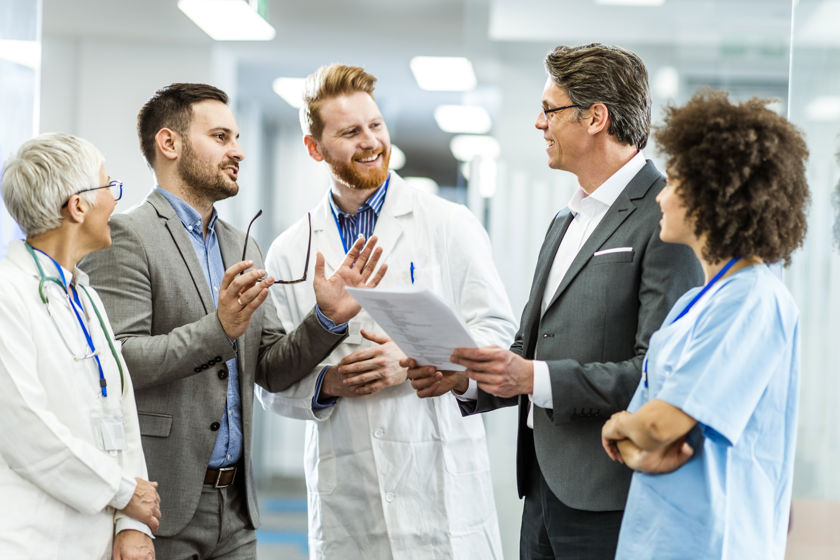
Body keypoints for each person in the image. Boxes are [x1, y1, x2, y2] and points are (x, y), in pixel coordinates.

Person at [407, 43, 704, 558]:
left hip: (611, 497)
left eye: (549, 110)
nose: (538, 123)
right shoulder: (564, 221)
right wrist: (469, 379)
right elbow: (529, 346)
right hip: (542, 489)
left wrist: (532, 378)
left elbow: (656, 376)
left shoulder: (664, 221)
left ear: (595, 118)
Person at [80, 83, 386, 558]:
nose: (238, 151)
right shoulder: (127, 235)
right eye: (221, 137)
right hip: (161, 505)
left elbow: (269, 367)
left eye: (238, 137)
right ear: (170, 144)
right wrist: (217, 330)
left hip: (238, 509)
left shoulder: (241, 245)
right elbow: (121, 360)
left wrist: (325, 319)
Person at [256, 64, 517, 559]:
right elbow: (269, 379)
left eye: (375, 125)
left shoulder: (447, 224)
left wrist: (411, 357)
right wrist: (329, 384)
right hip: (348, 495)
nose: (371, 141)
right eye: (350, 132)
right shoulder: (291, 251)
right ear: (316, 148)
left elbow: (499, 334)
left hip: (440, 486)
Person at [600, 90, 808, 559]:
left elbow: (655, 425)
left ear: (713, 196)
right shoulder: (693, 303)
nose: (661, 196)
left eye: (673, 182)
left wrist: (629, 428)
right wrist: (633, 433)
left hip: (717, 542)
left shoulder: (753, 298)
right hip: (657, 538)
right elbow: (640, 442)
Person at [0, 132, 160, 559]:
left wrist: (132, 523)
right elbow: (25, 428)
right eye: (110, 186)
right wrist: (125, 493)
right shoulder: (7, 294)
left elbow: (120, 410)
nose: (115, 201)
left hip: (98, 537)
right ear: (78, 205)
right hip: (32, 541)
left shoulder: (84, 295)